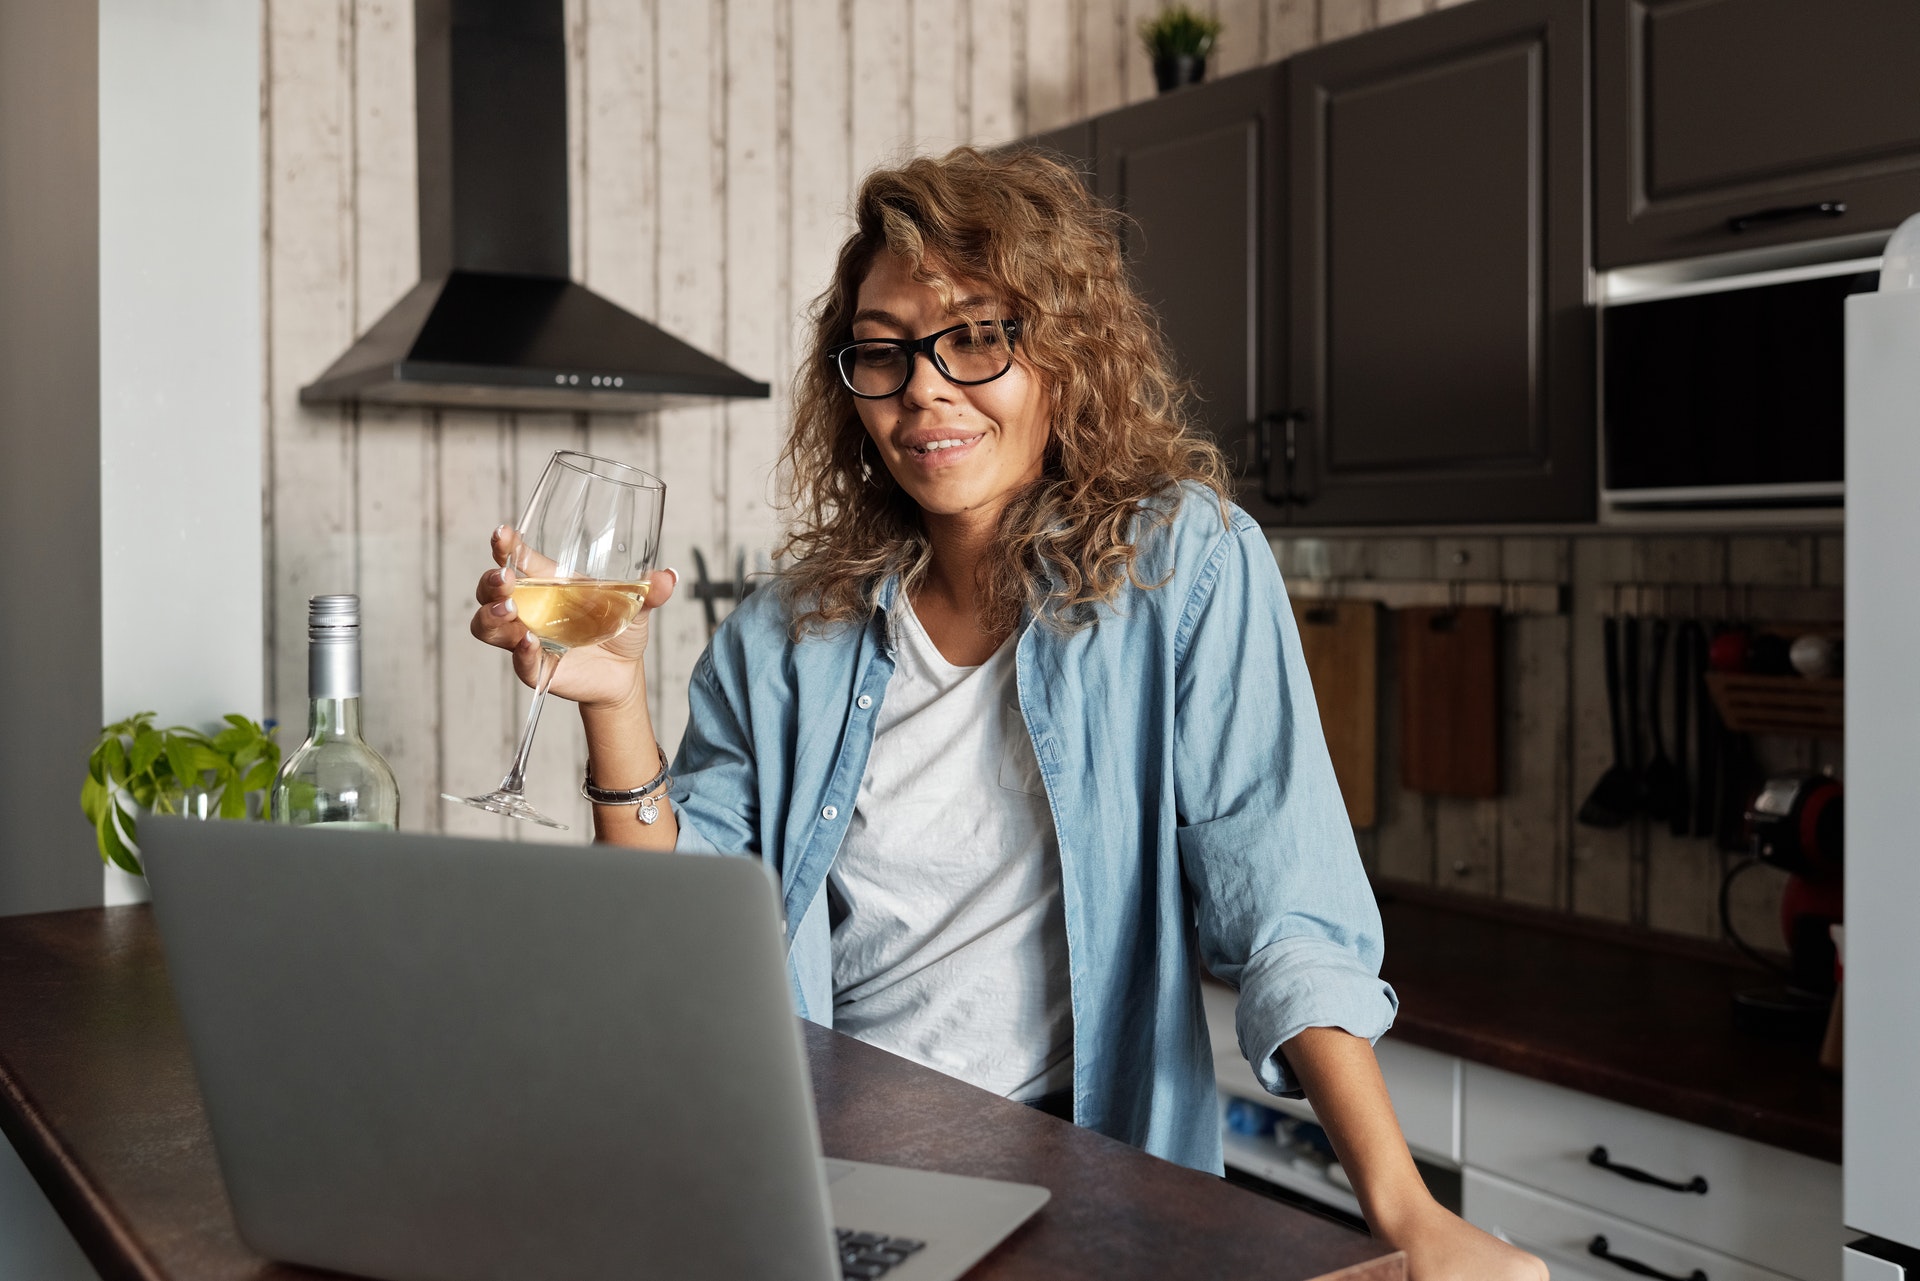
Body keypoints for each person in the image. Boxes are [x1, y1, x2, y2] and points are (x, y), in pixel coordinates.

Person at [471, 147, 1545, 1281]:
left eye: (975, 337)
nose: (924, 388)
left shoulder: (1183, 564)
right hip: (821, 1162)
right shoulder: (788, 629)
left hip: (1074, 1171)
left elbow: (1288, 913)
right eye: (883, 355)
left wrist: (1403, 1208)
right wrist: (616, 702)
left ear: (1066, 358)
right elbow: (681, 934)